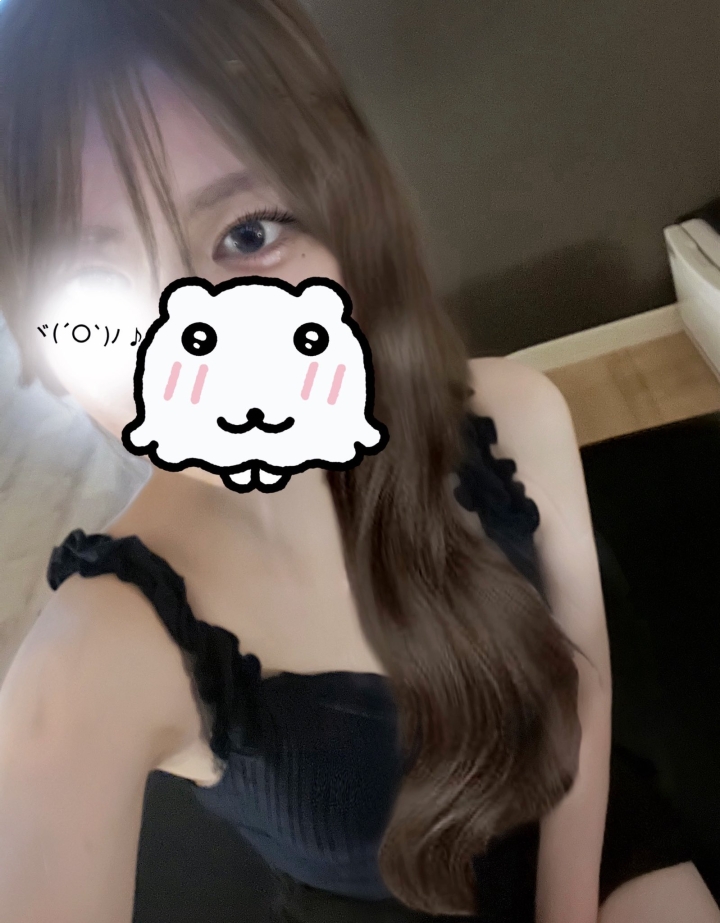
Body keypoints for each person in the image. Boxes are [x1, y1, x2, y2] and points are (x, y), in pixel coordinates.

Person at [0, 1, 717, 921]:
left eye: (249, 236)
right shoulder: (92, 659)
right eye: (94, 292)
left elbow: (584, 688)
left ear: (352, 211)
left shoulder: (514, 415)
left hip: (586, 832)